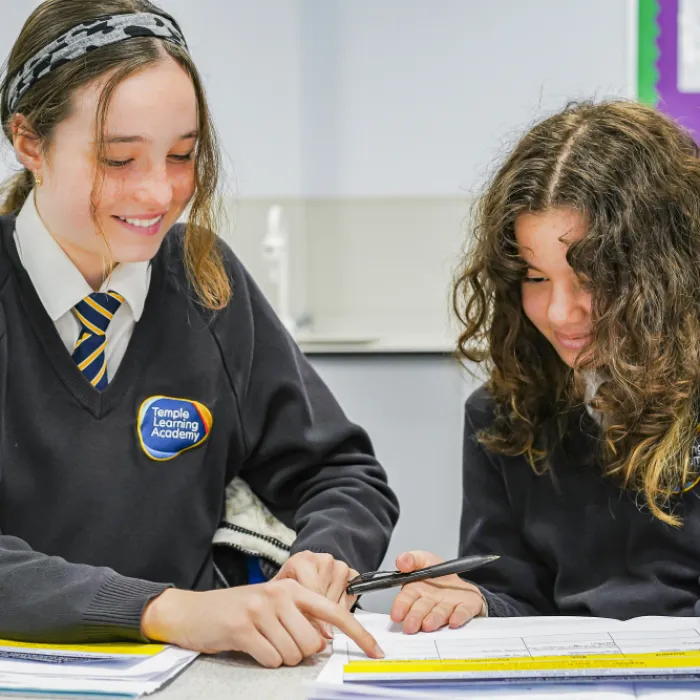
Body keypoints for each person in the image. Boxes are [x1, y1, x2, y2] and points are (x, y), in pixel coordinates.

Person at [0, 0, 398, 667]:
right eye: (119, 159)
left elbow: (342, 475)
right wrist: (166, 611)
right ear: (29, 142)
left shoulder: (205, 283)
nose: (159, 193)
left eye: (182, 155)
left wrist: (323, 558)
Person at [389, 100, 700, 633]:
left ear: (668, 271)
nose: (559, 313)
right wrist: (476, 603)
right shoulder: (503, 414)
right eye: (535, 278)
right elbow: (515, 594)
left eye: (592, 278)